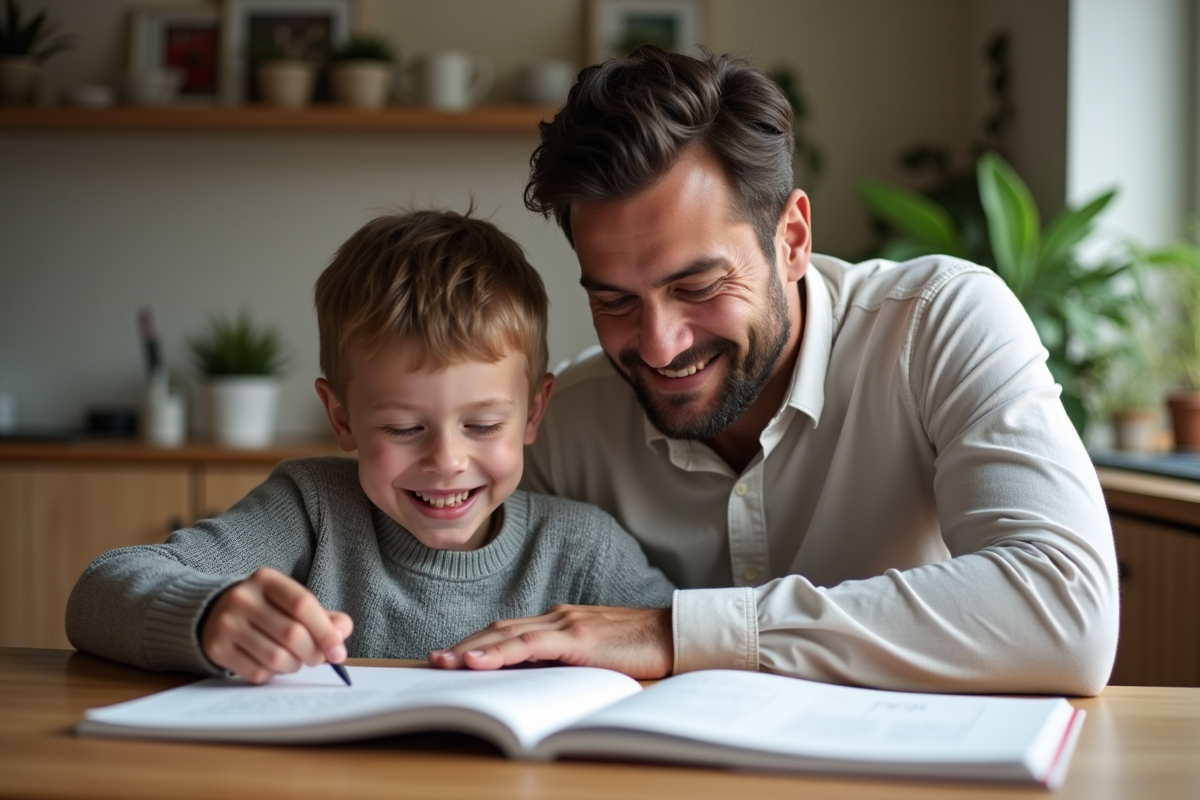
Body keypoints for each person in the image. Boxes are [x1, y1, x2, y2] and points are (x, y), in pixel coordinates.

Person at [428, 47, 1119, 695]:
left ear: (791, 239)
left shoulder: (939, 324)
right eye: (614, 301)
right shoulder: (567, 425)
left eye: (698, 287)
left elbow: (1068, 612)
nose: (660, 347)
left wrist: (675, 633)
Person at [66, 210, 675, 683]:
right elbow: (99, 591)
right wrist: (209, 614)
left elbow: (692, 643)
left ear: (534, 412)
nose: (446, 462)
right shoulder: (310, 510)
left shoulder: (583, 549)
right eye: (404, 429)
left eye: (484, 425)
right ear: (342, 417)